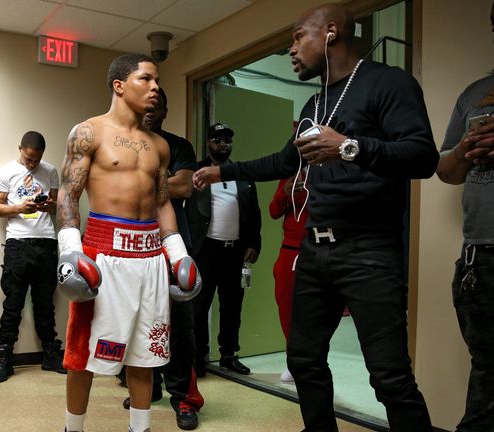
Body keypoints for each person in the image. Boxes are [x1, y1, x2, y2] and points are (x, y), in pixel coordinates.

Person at [193, 3, 437, 431]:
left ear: (329, 32)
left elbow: (423, 156)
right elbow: (283, 163)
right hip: (314, 251)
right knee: (304, 360)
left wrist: (349, 146)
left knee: (389, 378)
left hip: (369, 251)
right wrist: (221, 172)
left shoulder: (388, 83)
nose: (290, 49)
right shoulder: (314, 103)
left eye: (296, 36)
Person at [57, 53, 200, 432]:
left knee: (146, 356)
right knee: (83, 356)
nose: (155, 87)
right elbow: (68, 196)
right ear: (119, 85)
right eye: (146, 79)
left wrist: (179, 255)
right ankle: (73, 429)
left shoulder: (160, 146)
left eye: (157, 81)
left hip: (151, 257)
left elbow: (163, 202)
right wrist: (70, 251)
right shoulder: (88, 132)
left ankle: (141, 428)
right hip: (104, 255)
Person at [436, 1, 494, 430]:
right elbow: (446, 171)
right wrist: (464, 152)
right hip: (481, 256)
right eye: (493, 14)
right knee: (492, 374)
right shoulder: (474, 93)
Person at [123, 87, 204, 430]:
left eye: (159, 106)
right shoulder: (123, 142)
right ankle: (149, 386)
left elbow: (184, 187)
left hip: (173, 242)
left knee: (179, 322)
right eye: (146, 106)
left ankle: (183, 397)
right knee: (138, 316)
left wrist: (136, 184)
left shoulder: (179, 146)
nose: (151, 111)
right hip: (132, 243)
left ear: (166, 111)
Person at [0, 131, 66, 382]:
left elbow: (56, 205)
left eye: (36, 159)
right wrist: (19, 208)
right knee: (13, 303)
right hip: (18, 244)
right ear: (20, 148)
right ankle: (4, 358)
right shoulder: (5, 171)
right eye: (28, 158)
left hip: (46, 242)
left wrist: (47, 206)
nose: (32, 164)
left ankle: (50, 355)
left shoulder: (51, 171)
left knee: (45, 302)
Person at [186, 123, 261, 377]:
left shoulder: (241, 174)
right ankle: (199, 357)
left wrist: (253, 243)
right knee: (199, 306)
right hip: (205, 251)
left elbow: (254, 215)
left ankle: (229, 354)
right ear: (208, 143)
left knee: (232, 307)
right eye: (217, 140)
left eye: (227, 140)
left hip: (235, 252)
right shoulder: (196, 171)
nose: (222, 144)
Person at [268, 169, 308, 383]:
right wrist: (285, 192)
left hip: (321, 249)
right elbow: (273, 211)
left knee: (315, 312)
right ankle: (293, 360)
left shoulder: (333, 170)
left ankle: (310, 360)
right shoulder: (293, 173)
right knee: (287, 307)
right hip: (290, 250)